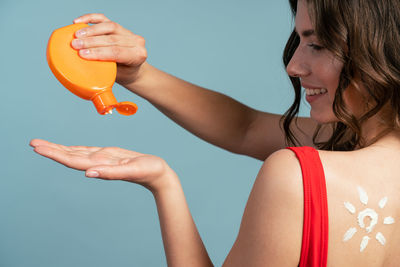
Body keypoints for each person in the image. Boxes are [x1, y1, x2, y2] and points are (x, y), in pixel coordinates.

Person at [31, 0, 400, 266]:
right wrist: (136, 74)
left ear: (380, 48)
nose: (293, 65)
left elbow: (247, 130)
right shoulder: (347, 144)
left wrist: (164, 184)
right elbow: (245, 127)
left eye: (316, 44)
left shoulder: (299, 176)